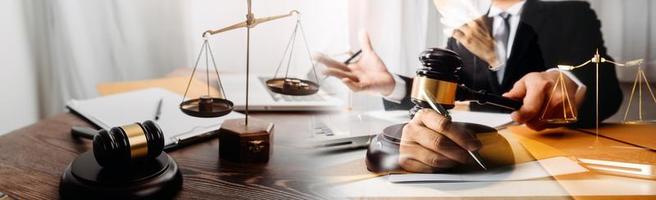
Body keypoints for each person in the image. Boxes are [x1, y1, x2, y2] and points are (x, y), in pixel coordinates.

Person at [316, 0, 622, 172]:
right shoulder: (464, 29)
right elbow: (449, 94)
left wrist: (568, 82)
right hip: (481, 159)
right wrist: (392, 86)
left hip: (556, 158)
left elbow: (606, 87)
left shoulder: (571, 12)